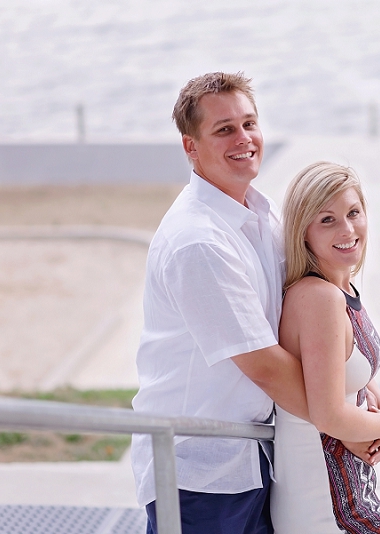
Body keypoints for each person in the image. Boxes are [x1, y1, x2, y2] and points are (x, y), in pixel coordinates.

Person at [130, 71, 312, 534]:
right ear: (191, 147)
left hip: (253, 455)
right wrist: (347, 424)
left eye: (249, 123)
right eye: (224, 129)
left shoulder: (262, 214)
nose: (244, 138)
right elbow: (264, 364)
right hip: (198, 472)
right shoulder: (198, 242)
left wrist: (358, 393)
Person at [271, 162, 380, 533]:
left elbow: (345, 366)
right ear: (304, 233)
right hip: (326, 496)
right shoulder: (319, 299)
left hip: (352, 486)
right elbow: (329, 414)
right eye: (327, 220)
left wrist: (378, 400)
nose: (348, 229)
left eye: (353, 213)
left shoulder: (338, 288)